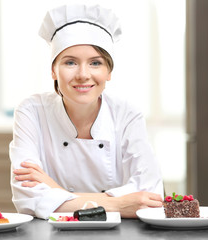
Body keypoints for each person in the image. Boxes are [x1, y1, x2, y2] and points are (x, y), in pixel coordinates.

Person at [10, 4, 164, 219]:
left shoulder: (127, 113)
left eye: (95, 63)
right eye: (70, 62)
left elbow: (150, 197)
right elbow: (27, 200)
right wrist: (120, 205)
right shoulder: (31, 112)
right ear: (53, 70)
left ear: (109, 72)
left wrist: (55, 192)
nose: (83, 74)